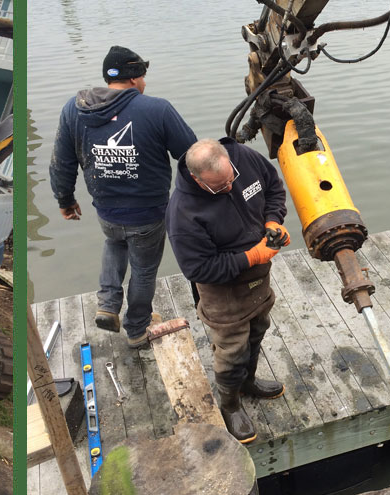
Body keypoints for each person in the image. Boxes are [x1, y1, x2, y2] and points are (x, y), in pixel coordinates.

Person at [49, 45, 197, 347]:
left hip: (105, 210)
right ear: (134, 77)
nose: (145, 82)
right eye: (143, 74)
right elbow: (192, 155)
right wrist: (197, 198)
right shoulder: (157, 109)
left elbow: (60, 161)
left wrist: (64, 199)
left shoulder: (73, 109)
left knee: (114, 241)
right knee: (143, 270)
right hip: (148, 214)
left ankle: (108, 303)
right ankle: (137, 329)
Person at [165, 138, 291, 444]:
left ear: (229, 161)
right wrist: (253, 256)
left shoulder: (243, 157)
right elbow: (198, 269)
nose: (228, 189)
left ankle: (248, 382)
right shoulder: (183, 212)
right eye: (217, 187)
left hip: (259, 278)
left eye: (230, 180)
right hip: (224, 290)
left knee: (259, 327)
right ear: (196, 179)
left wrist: (273, 221)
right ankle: (230, 404)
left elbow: (273, 186)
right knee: (232, 349)